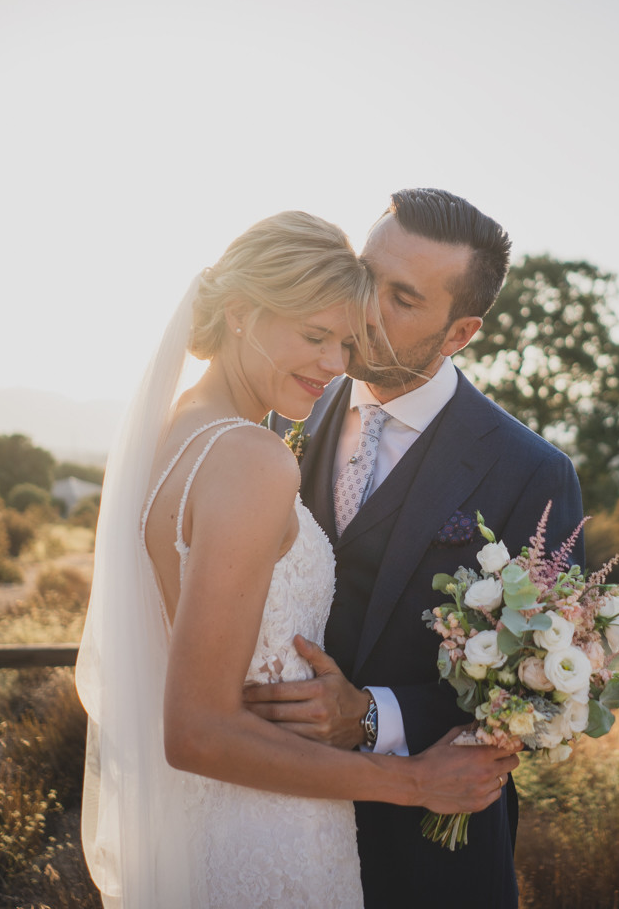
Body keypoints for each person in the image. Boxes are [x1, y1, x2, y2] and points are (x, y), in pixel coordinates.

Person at [74, 210, 519, 909]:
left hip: (207, 831)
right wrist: (412, 781)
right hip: (269, 836)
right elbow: (198, 729)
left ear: (462, 332)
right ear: (243, 314)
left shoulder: (172, 433)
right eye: (317, 336)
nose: (339, 362)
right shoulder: (255, 455)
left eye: (344, 339)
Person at [247, 189, 586, 909]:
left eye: (401, 298)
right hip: (273, 824)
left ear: (460, 333)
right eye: (365, 274)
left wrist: (371, 717)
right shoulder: (284, 406)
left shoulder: (534, 474)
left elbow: (539, 701)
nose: (365, 308)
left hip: (433, 855)